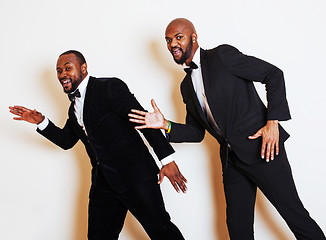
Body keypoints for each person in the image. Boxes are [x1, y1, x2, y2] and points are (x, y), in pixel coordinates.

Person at [128, 18, 326, 239]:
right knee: (237, 228)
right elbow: (196, 133)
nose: (173, 44)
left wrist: (273, 123)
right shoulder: (186, 86)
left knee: (295, 216)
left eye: (178, 37)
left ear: (194, 37)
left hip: (264, 150)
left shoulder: (222, 57)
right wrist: (166, 125)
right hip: (232, 161)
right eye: (168, 40)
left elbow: (273, 74)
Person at [9, 50, 187, 240]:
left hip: (136, 176)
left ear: (83, 68)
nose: (62, 75)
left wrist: (167, 159)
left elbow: (144, 120)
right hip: (104, 184)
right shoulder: (73, 109)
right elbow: (66, 141)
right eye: (59, 71)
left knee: (162, 231)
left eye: (68, 68)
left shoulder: (109, 87)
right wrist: (41, 122)